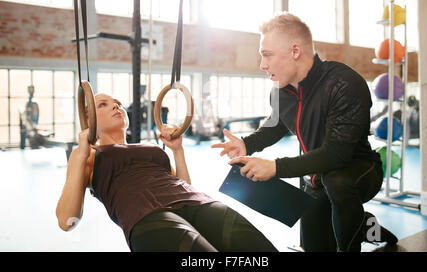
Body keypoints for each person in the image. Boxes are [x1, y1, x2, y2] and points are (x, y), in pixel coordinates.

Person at [212, 13, 397, 252]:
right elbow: (276, 124)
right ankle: (362, 227)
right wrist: (247, 144)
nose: (262, 65)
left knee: (337, 182)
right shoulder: (280, 91)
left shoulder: (344, 84)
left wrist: (275, 167)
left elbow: (336, 155)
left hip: (358, 172)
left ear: (295, 51)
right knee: (315, 246)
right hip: (315, 177)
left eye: (266, 55)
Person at [56, 93, 277, 252]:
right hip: (146, 215)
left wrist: (177, 150)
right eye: (104, 104)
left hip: (196, 201)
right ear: (89, 120)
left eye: (118, 103)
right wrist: (79, 155)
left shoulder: (150, 147)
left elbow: (183, 184)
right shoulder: (89, 155)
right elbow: (67, 221)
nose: (117, 107)